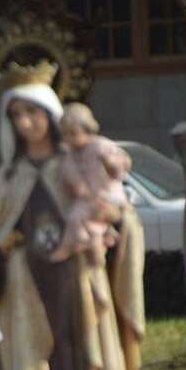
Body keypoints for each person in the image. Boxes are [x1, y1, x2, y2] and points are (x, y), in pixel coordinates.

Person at [0, 61, 132, 370]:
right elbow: (0, 236)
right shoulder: (10, 176)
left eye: (31, 112)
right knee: (43, 366)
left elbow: (116, 208)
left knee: (82, 357)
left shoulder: (77, 162)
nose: (24, 122)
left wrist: (113, 216)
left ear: (50, 113)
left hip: (77, 278)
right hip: (29, 285)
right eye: (16, 115)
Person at [49, 102, 131, 267]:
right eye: (66, 135)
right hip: (89, 197)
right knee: (75, 216)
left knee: (83, 215)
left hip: (108, 196)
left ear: (87, 129)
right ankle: (92, 241)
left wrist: (112, 164)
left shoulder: (100, 145)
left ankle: (89, 242)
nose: (70, 139)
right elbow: (70, 176)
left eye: (74, 134)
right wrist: (79, 188)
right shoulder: (70, 154)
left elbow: (122, 164)